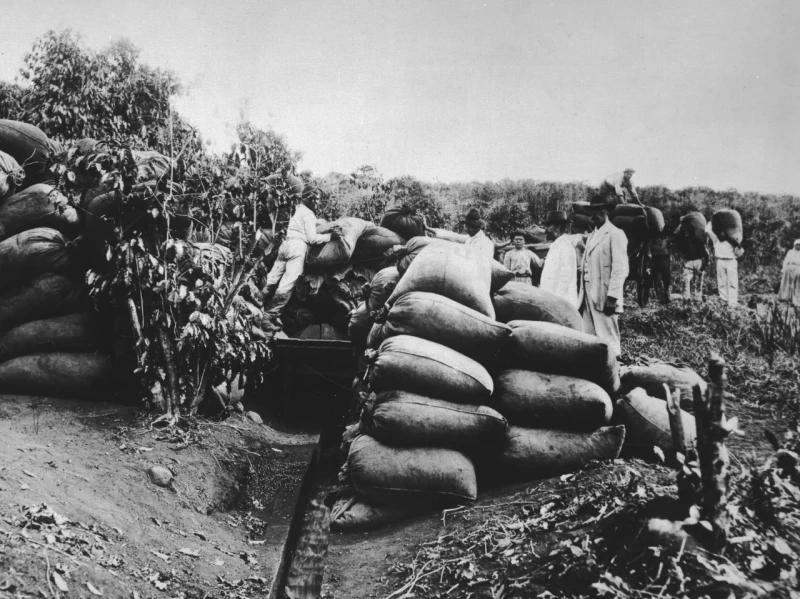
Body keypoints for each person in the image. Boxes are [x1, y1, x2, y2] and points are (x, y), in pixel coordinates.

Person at [261, 176, 335, 315]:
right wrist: (330, 237)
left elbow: (306, 222)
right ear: (310, 199)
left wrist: (318, 222)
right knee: (287, 284)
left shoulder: (299, 209)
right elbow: (312, 239)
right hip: (297, 248)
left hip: (286, 245)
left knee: (272, 277)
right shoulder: (309, 214)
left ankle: (257, 300)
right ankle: (270, 314)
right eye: (315, 199)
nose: (317, 202)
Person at [578, 195, 629, 356]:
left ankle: (615, 363)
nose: (595, 214)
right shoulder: (592, 235)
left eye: (599, 210)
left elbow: (620, 268)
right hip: (588, 291)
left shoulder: (615, 233)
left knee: (608, 334)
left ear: (607, 211)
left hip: (604, 292)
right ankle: (595, 366)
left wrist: (612, 296)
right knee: (589, 333)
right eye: (592, 211)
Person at [540, 211, 579, 307]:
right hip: (552, 300)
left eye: (549, 226)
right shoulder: (555, 245)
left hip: (561, 302)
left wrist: (557, 303)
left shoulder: (565, 246)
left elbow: (565, 278)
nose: (546, 230)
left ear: (558, 227)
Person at [425, 208, 495, 261]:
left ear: (475, 227)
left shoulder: (486, 243)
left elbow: (483, 264)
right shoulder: (469, 238)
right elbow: (452, 236)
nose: (466, 229)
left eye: (468, 227)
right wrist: (428, 229)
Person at [705, 222, 744, 306]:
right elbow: (707, 230)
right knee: (721, 282)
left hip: (731, 261)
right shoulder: (716, 238)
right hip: (720, 261)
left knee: (732, 283)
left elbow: (739, 241)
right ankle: (724, 301)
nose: (722, 233)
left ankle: (732, 303)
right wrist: (713, 221)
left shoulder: (732, 239)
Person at [674, 219, 710, 302]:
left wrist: (704, 266)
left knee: (698, 282)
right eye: (684, 231)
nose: (685, 232)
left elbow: (706, 254)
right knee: (685, 279)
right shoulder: (683, 242)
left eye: (687, 231)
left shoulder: (698, 241)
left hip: (698, 261)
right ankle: (686, 298)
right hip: (689, 262)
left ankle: (698, 298)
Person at [779, 240, 800, 307]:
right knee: (786, 279)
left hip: (798, 267)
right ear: (794, 245)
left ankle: (796, 298)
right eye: (797, 244)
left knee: (797, 278)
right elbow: (786, 260)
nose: (798, 246)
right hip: (790, 267)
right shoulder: (790, 252)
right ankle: (785, 296)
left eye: (799, 245)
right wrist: (783, 269)